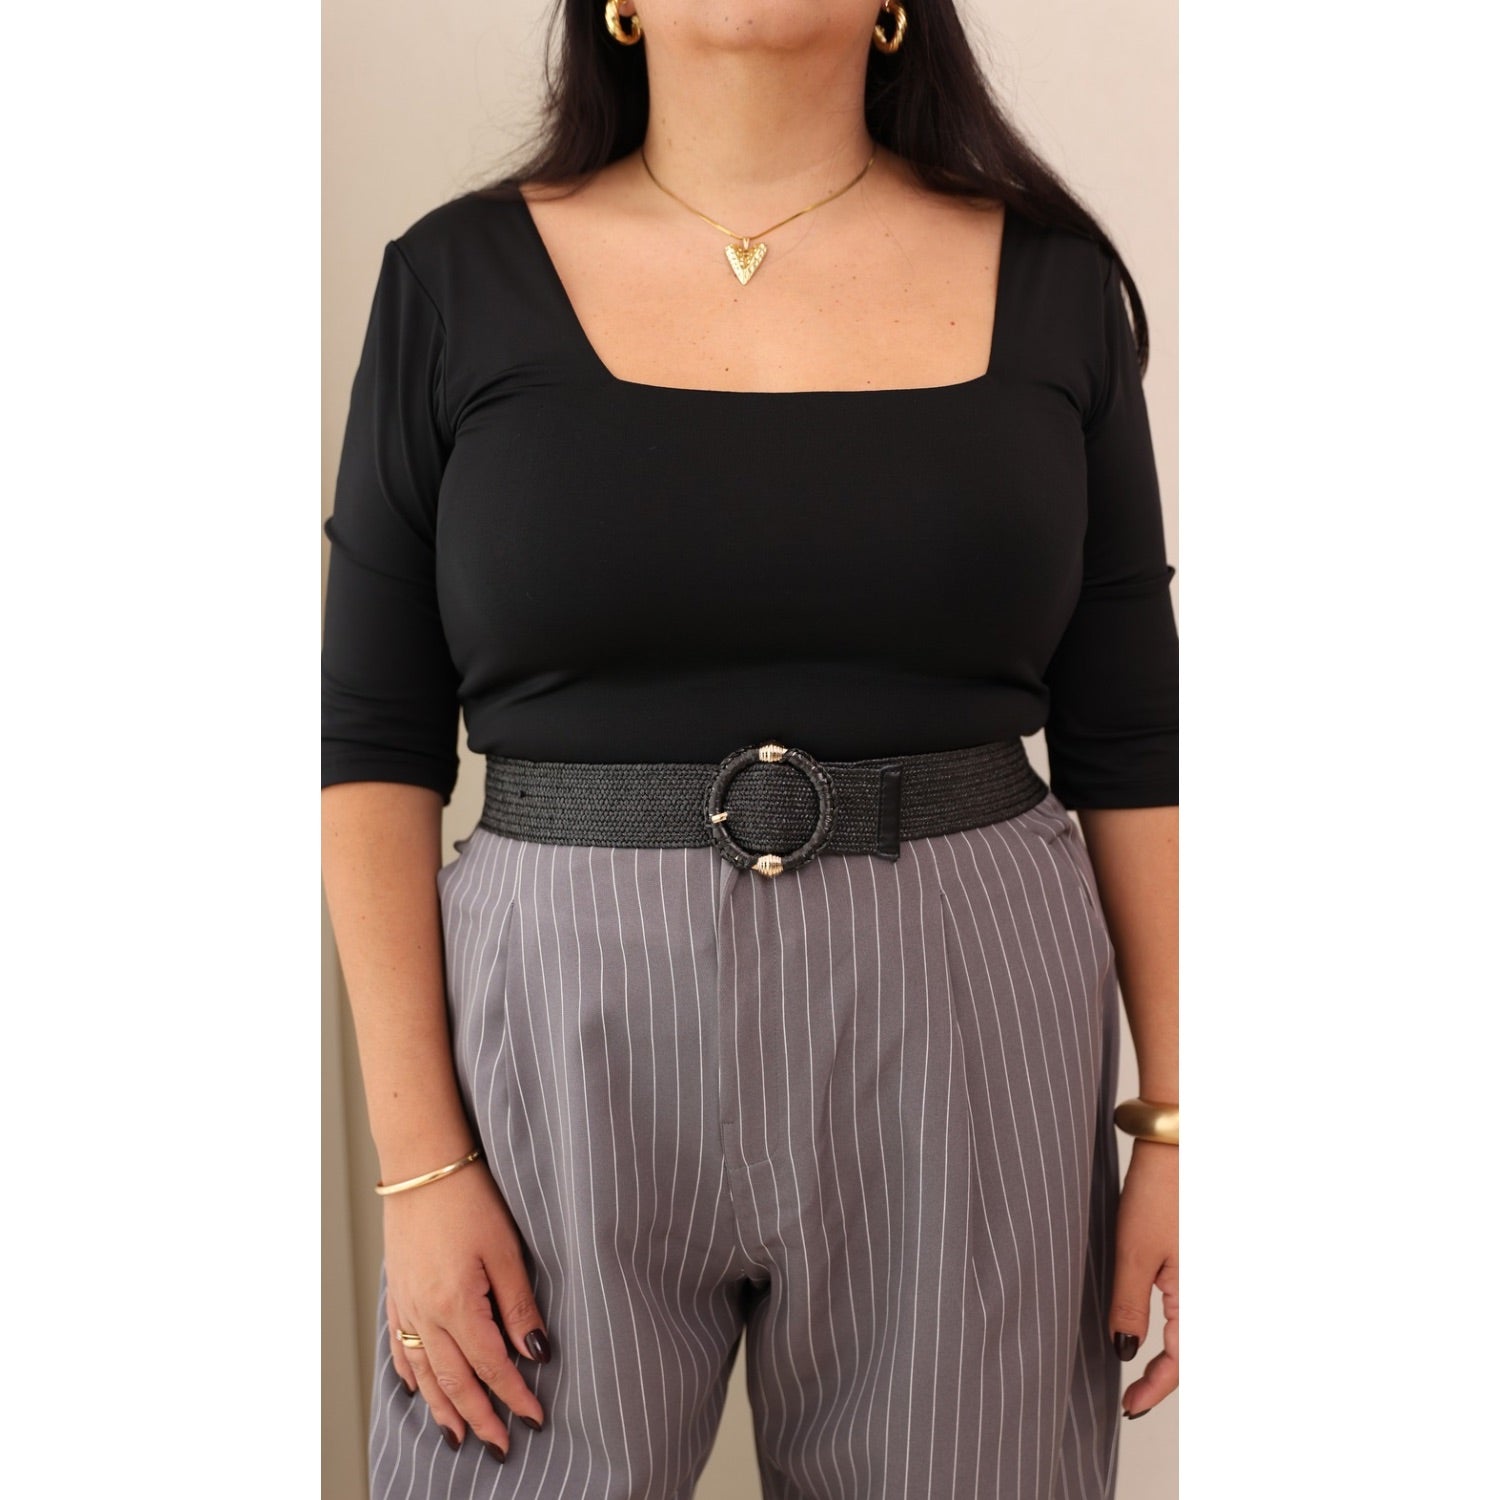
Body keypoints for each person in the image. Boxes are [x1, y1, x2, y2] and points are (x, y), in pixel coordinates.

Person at [321, 2, 1179, 1496]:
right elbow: (370, 740)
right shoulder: (452, 283)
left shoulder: (1053, 284)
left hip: (969, 1025)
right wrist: (420, 1167)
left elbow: (1134, 740)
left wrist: (1179, 1122)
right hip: (557, 1037)